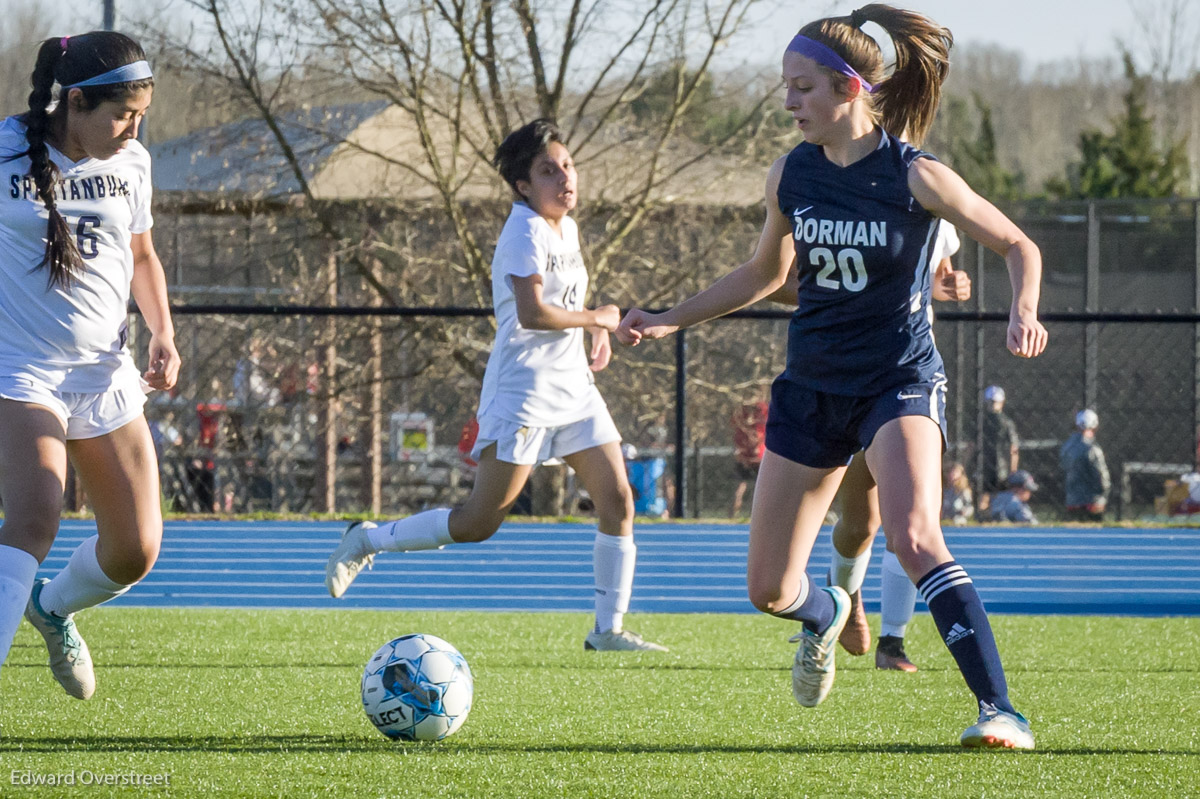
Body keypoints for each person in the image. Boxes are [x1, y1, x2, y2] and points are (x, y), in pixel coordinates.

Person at [616, 5, 1047, 748]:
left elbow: (1016, 243)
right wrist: (670, 316)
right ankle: (826, 611)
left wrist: (1023, 309)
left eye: (801, 88)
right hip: (812, 386)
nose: (788, 103)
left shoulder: (916, 174)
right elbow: (764, 273)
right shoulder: (792, 172)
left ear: (850, 88)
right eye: (785, 88)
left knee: (915, 535)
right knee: (769, 589)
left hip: (898, 378)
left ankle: (1000, 709)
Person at [325, 119, 666, 652]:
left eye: (568, 165)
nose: (564, 178)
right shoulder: (523, 231)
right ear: (523, 186)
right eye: (548, 171)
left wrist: (594, 332)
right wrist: (597, 318)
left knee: (619, 500)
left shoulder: (565, 228)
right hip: (524, 393)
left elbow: (566, 300)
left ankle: (608, 631)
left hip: (574, 390)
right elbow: (532, 314)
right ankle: (366, 538)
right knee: (480, 521)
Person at [0, 32, 179, 700]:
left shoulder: (132, 161)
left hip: (105, 375)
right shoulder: (4, 151)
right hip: (20, 371)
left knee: (135, 548)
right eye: (122, 114)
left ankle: (52, 608)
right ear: (75, 101)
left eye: (140, 116)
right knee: (36, 513)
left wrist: (163, 329)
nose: (132, 129)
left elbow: (140, 256)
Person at [765, 220, 971, 673]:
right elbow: (774, 280)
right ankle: (843, 596)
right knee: (860, 523)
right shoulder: (836, 196)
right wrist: (848, 298)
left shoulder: (933, 196)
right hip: (843, 380)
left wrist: (950, 285)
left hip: (907, 379)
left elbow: (940, 275)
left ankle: (893, 641)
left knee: (912, 521)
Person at [1060, 409, 1110, 522]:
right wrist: (1104, 495)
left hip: (1072, 501)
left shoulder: (1066, 447)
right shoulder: (1093, 449)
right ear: (1095, 426)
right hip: (1092, 502)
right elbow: (1102, 478)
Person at [730, 392, 769, 517]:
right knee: (739, 487)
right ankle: (733, 514)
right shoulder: (741, 412)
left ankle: (758, 515)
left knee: (761, 489)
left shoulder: (762, 411)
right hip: (745, 458)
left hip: (758, 458)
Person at [979, 384, 1019, 496]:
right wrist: (1013, 470)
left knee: (985, 496)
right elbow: (1013, 449)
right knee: (998, 497)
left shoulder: (981, 421)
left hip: (985, 467)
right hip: (1001, 469)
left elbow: (1013, 449)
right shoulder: (1007, 422)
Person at [942, 461, 975, 525]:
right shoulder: (943, 489)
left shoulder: (964, 491)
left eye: (955, 472)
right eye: (951, 472)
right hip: (943, 518)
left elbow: (969, 507)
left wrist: (964, 512)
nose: (952, 474)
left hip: (958, 519)